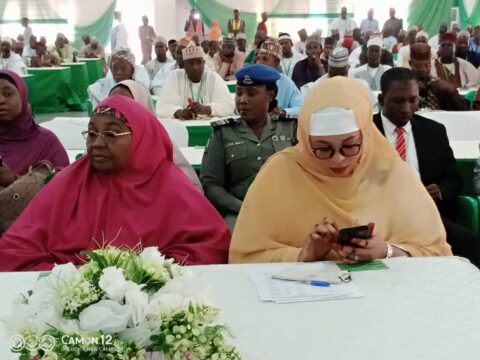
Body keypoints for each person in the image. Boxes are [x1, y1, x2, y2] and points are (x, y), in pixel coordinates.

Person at [229, 77, 452, 264]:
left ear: (366, 134)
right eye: (323, 149)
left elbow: (436, 252)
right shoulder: (280, 173)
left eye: (350, 146)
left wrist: (386, 251)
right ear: (306, 142)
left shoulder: (389, 172)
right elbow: (244, 256)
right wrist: (304, 254)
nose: (338, 160)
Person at [0, 96, 231, 271]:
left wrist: (148, 275)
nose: (97, 143)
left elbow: (211, 245)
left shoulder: (169, 186)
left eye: (111, 134)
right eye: (91, 133)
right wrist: (66, 281)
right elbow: (14, 248)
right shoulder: (69, 183)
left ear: (141, 138)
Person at [375, 68, 479, 266]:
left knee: (471, 245)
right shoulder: (366, 131)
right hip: (379, 216)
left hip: (426, 216)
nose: (407, 108)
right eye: (398, 101)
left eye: (413, 100)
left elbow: (454, 178)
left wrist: (440, 190)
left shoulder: (433, 132)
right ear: (381, 99)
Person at [200, 64, 297, 230]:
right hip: (239, 212)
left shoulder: (290, 129)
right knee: (231, 247)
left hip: (286, 209)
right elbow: (211, 184)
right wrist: (241, 207)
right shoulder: (223, 133)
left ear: (270, 95)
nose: (242, 100)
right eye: (238, 93)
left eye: (251, 94)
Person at [108, 80, 202, 191]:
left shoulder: (162, 145)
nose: (119, 111)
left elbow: (193, 191)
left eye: (127, 105)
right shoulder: (100, 142)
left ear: (143, 107)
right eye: (112, 105)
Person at [0, 69, 68, 189]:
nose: (1, 100)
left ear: (22, 96)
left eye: (7, 94)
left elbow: (63, 189)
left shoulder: (46, 142)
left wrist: (13, 180)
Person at [157, 45, 235, 119]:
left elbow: (229, 106)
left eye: (199, 62)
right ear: (184, 65)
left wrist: (207, 109)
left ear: (204, 63)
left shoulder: (213, 78)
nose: (196, 67)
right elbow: (161, 106)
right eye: (191, 63)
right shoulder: (176, 77)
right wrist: (179, 112)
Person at [409, 43, 467, 111]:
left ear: (430, 63)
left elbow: (462, 110)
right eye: (418, 66)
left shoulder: (439, 85)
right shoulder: (404, 85)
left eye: (427, 65)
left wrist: (451, 91)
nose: (423, 69)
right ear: (411, 64)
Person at [255, 39, 303, 118]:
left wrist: (283, 112)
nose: (259, 62)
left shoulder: (285, 82)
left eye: (264, 59)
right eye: (258, 58)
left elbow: (301, 108)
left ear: (276, 62)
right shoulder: (249, 80)